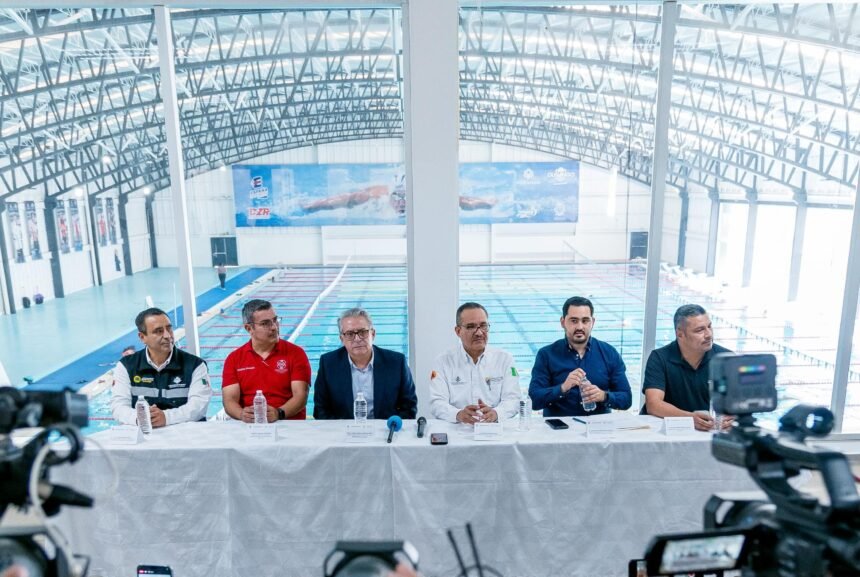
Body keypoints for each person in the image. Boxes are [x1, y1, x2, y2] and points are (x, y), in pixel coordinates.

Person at [529, 296, 632, 416]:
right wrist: (562, 388)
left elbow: (627, 399)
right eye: (574, 321)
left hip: (598, 425)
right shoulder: (546, 355)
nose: (579, 327)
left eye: (585, 321)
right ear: (563, 322)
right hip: (560, 426)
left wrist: (604, 396)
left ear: (592, 322)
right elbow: (534, 400)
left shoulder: (609, 353)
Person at [111, 307, 212, 427]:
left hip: (186, 435)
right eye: (158, 331)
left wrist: (166, 417)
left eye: (169, 328)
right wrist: (141, 417)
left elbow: (198, 407)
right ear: (142, 337)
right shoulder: (126, 366)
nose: (167, 335)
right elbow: (118, 407)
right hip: (146, 433)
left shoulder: (195, 365)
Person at [642, 304, 733, 431]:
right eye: (700, 330)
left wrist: (732, 416)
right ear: (680, 334)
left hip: (708, 430)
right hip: (666, 431)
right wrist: (689, 418)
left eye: (709, 326)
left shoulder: (726, 359)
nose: (709, 334)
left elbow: (738, 402)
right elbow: (653, 404)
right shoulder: (660, 358)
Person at [313, 308, 417, 420]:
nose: (357, 339)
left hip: (386, 428)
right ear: (342, 339)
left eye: (362, 332)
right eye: (350, 334)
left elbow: (409, 407)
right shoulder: (328, 364)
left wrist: (391, 427)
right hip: (342, 429)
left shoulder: (396, 362)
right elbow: (320, 410)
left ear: (373, 334)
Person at [429, 302, 520, 424]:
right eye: (471, 327)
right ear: (458, 331)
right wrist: (458, 414)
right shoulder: (443, 362)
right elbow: (436, 402)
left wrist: (496, 413)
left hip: (494, 428)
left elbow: (513, 399)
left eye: (483, 326)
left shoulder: (504, 359)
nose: (479, 333)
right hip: (457, 428)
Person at [221, 299, 311, 422]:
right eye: (265, 323)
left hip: (288, 423)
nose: (274, 327)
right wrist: (242, 414)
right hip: (250, 425)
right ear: (249, 328)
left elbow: (301, 396)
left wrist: (279, 413)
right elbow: (229, 399)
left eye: (275, 320)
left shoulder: (296, 353)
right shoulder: (234, 359)